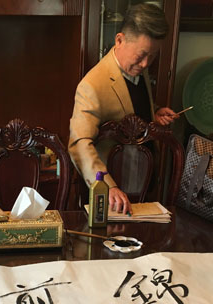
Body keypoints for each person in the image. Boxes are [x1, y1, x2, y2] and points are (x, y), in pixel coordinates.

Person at [69, 3, 178, 215]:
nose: (145, 64)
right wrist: (107, 186)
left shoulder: (138, 70)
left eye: (152, 56)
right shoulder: (92, 85)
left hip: (144, 186)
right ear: (119, 40)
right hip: (115, 196)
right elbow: (79, 143)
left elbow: (129, 106)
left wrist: (153, 112)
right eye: (141, 55)